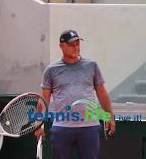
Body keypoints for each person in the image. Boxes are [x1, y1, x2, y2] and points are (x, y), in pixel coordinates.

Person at [35, 30, 116, 159]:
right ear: (61, 46)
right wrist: (38, 123)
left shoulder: (92, 66)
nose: (76, 47)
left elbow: (102, 93)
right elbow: (44, 98)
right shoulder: (51, 70)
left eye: (77, 44)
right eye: (71, 44)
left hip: (89, 127)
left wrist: (109, 116)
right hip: (62, 128)